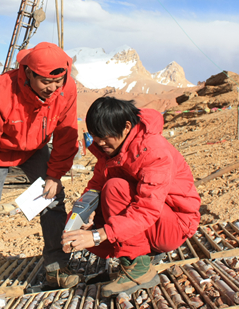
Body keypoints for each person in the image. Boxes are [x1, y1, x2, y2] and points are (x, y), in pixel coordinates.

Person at [0, 42, 79, 304]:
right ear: (28, 73)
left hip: (35, 149)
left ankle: (55, 268)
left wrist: (55, 175)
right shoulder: (0, 91)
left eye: (58, 81)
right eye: (47, 82)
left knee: (53, 200)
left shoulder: (66, 89)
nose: (53, 88)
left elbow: (66, 134)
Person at [62, 97, 201, 297]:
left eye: (104, 136)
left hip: (174, 224)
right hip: (153, 221)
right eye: (95, 136)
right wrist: (76, 222)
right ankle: (130, 263)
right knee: (98, 203)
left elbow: (147, 209)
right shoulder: (110, 151)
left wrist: (97, 235)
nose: (100, 143)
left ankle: (140, 267)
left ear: (126, 127)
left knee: (115, 188)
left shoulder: (153, 151)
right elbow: (93, 189)